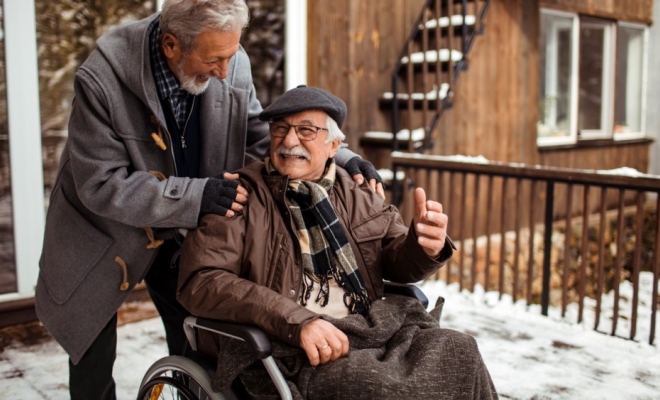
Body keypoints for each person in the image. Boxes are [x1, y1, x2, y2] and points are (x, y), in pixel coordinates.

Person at [34, 1, 382, 399]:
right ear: (170, 45)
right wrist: (197, 194)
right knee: (91, 356)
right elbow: (101, 183)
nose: (223, 71)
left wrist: (341, 155)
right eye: (213, 60)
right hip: (102, 229)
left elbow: (257, 133)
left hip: (181, 226)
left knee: (194, 340)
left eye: (230, 57)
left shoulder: (229, 56)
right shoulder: (102, 78)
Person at [177, 85, 498, 399]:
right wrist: (296, 321)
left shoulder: (359, 192)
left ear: (334, 145)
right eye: (280, 129)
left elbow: (394, 257)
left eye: (306, 130)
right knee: (383, 386)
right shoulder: (240, 195)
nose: (289, 141)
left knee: (461, 351)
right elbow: (202, 280)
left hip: (369, 327)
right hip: (287, 346)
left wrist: (424, 246)